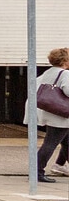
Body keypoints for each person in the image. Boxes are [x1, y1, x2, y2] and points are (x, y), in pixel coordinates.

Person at [32, 47, 69, 180]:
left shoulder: (47, 73)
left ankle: (57, 165)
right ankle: (37, 172)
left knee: (67, 142)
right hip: (61, 116)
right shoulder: (64, 74)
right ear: (65, 60)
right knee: (50, 144)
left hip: (50, 112)